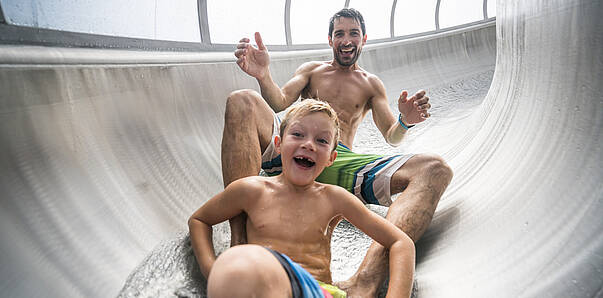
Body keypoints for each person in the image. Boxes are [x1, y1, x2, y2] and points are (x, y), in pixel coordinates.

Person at [222, 8, 453, 296]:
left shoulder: (371, 84)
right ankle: (240, 245)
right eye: (339, 33)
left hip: (339, 159)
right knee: (242, 100)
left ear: (364, 39)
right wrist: (263, 76)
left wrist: (405, 121)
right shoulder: (312, 71)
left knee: (435, 168)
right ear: (330, 40)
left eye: (353, 33)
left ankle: (365, 282)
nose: (346, 39)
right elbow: (280, 101)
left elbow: (391, 135)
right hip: (294, 147)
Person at [189, 99, 415, 297]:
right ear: (278, 145)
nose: (308, 144)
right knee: (239, 267)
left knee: (241, 265)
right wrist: (211, 269)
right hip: (264, 281)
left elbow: (400, 242)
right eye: (297, 134)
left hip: (314, 290)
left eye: (322, 141)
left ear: (331, 158)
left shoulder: (333, 198)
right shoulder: (251, 190)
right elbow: (199, 220)